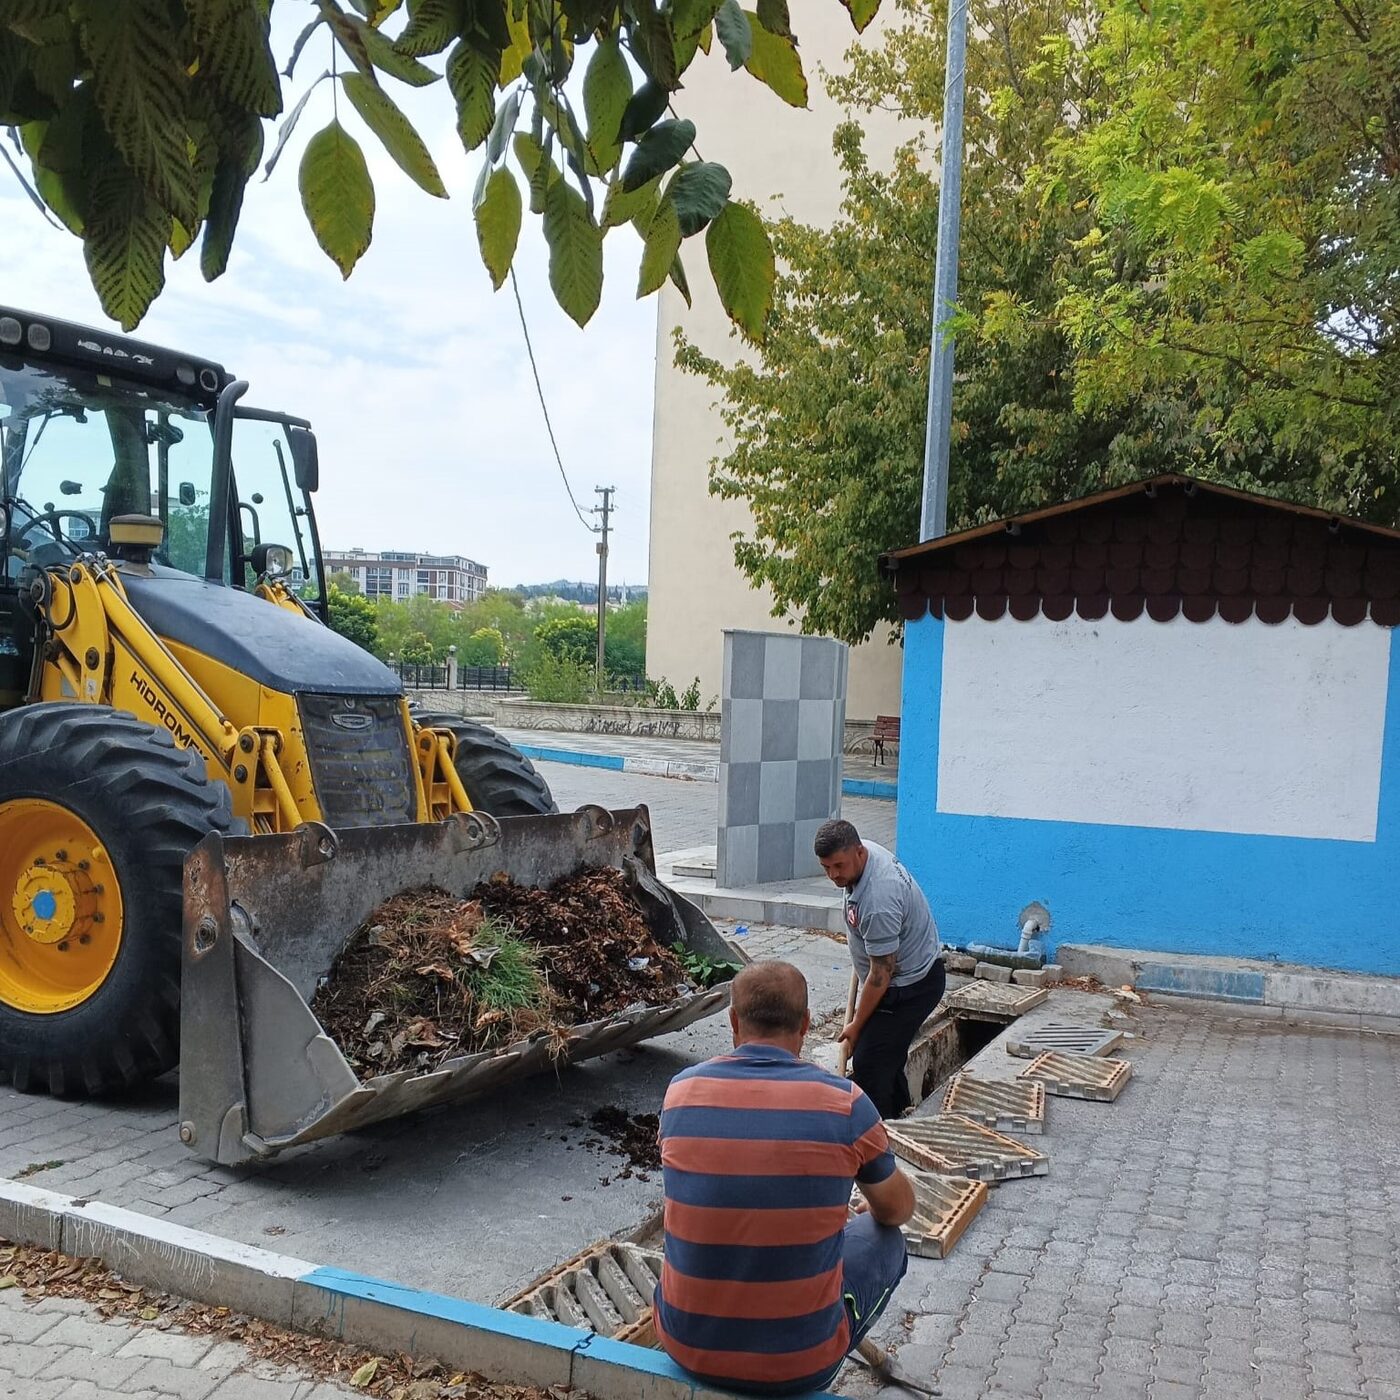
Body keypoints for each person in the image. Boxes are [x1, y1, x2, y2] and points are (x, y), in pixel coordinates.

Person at [653, 961, 915, 1395]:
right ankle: (828, 1341)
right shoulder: (847, 1104)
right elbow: (899, 1210)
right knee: (887, 1237)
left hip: (686, 1346)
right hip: (801, 1365)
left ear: (733, 1021)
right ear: (807, 1024)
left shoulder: (680, 1092)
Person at [815, 819, 945, 1120]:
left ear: (859, 852)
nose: (833, 875)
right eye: (826, 867)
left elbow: (881, 974)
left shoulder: (879, 898)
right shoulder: (865, 856)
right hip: (902, 977)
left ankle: (876, 1141)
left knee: (870, 1064)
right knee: (887, 1054)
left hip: (909, 988)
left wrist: (856, 1026)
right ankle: (899, 1116)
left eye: (838, 866)